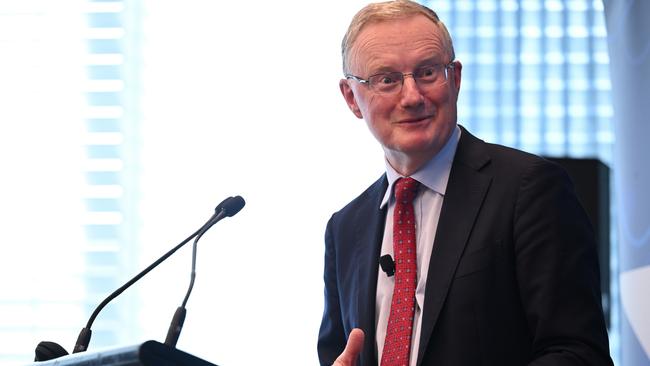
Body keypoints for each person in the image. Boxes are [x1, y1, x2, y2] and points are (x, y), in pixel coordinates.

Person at [317, 1, 614, 365]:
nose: (411, 97)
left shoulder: (530, 190)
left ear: (454, 78)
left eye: (427, 73)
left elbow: (579, 354)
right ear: (352, 98)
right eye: (387, 79)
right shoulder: (345, 229)